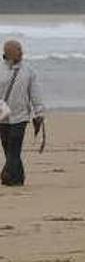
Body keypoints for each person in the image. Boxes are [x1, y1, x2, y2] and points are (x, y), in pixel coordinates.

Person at [0, 40, 45, 186]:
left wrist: (39, 112)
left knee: (14, 147)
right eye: (17, 49)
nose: (21, 52)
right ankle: (17, 178)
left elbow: (35, 93)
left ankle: (7, 174)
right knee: (7, 148)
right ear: (7, 52)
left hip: (21, 117)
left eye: (21, 49)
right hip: (3, 116)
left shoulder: (29, 71)